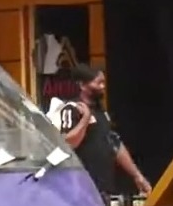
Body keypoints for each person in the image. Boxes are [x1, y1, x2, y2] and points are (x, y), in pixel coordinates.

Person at [57, 64, 153, 197]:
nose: (103, 87)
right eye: (98, 83)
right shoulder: (71, 108)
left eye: (103, 82)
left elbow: (114, 143)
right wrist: (85, 119)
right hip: (81, 188)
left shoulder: (101, 112)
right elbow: (68, 144)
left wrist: (137, 175)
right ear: (82, 85)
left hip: (105, 187)